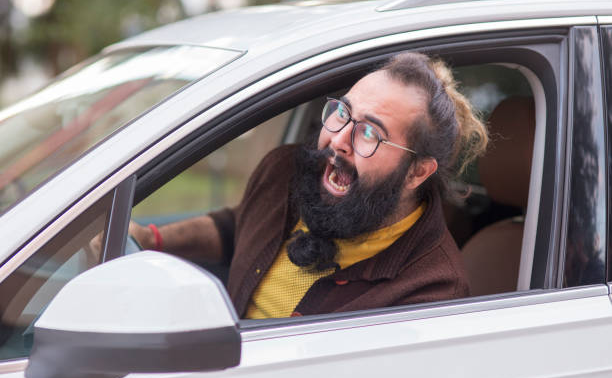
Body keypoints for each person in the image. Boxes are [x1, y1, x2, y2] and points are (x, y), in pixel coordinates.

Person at [130, 52, 488, 319]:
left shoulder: (432, 289)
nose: (339, 140)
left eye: (370, 133)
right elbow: (243, 226)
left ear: (417, 172)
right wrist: (152, 240)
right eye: (343, 114)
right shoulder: (284, 171)